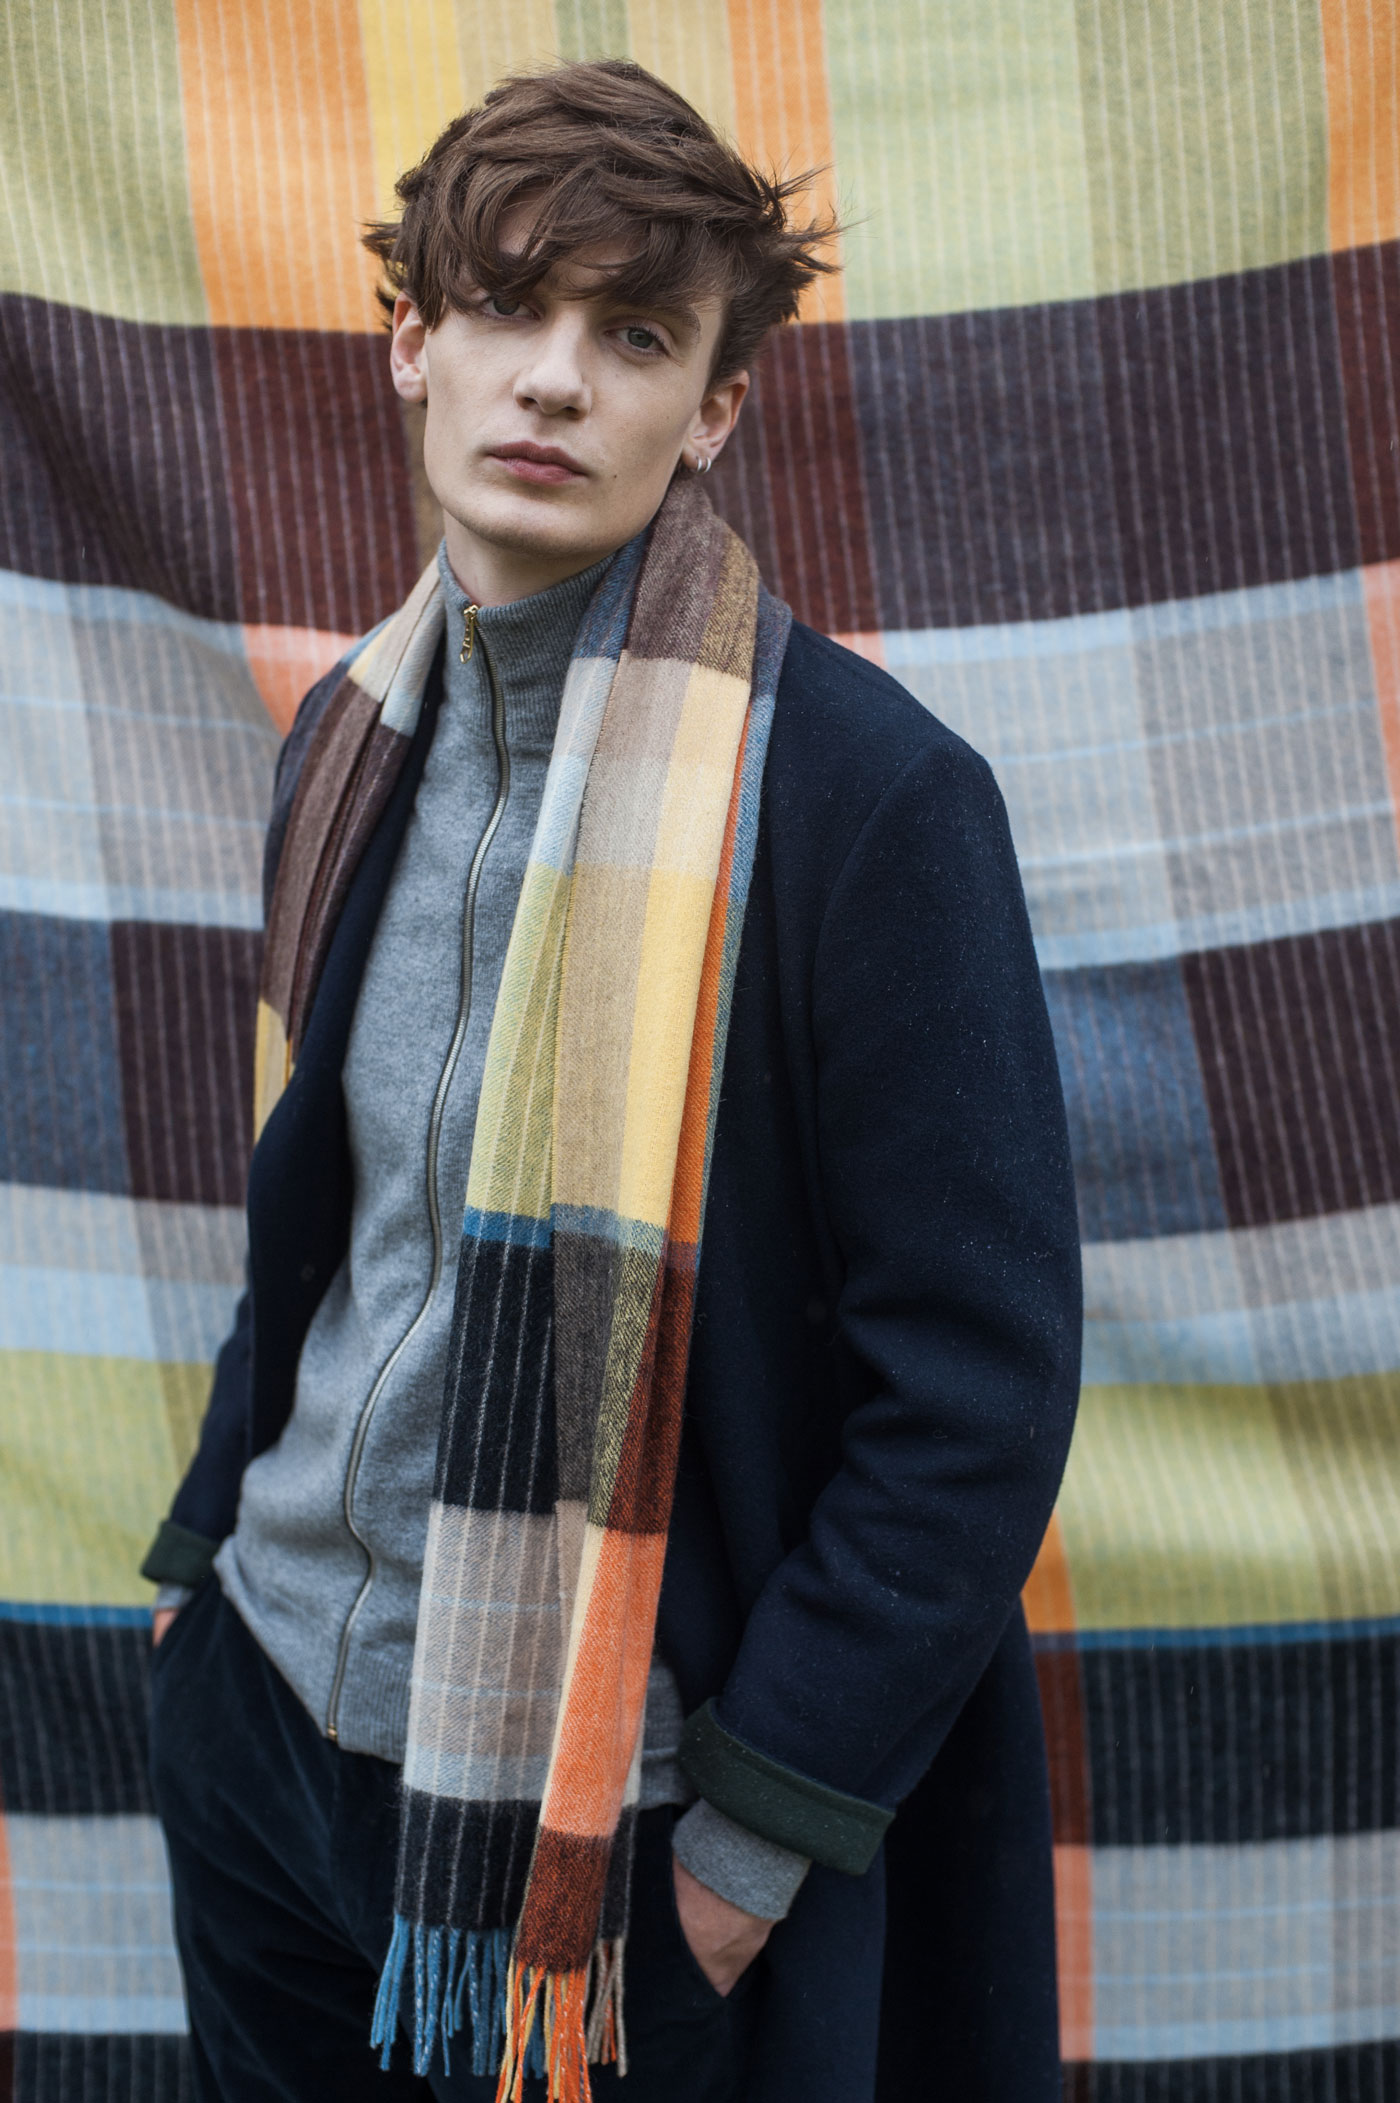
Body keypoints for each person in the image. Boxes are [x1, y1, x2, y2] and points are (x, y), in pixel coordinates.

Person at [142, 57, 1081, 2103]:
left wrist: (745, 1852)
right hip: (267, 1730)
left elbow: (978, 1387)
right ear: (414, 340)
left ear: (716, 405)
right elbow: (335, 1217)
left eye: (636, 334)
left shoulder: (865, 803)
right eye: (507, 307)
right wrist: (204, 1575)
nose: (556, 379)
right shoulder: (350, 739)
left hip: (613, 1817)